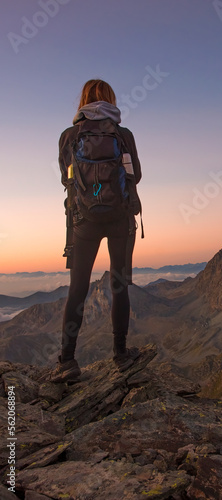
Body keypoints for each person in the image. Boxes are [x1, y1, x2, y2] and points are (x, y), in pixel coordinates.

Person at [50, 79, 142, 383]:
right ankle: (120, 354)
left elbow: (65, 177)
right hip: (120, 218)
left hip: (83, 220)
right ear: (111, 101)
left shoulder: (69, 135)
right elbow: (136, 176)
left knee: (78, 288)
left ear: (83, 101)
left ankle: (68, 360)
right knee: (119, 284)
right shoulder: (123, 134)